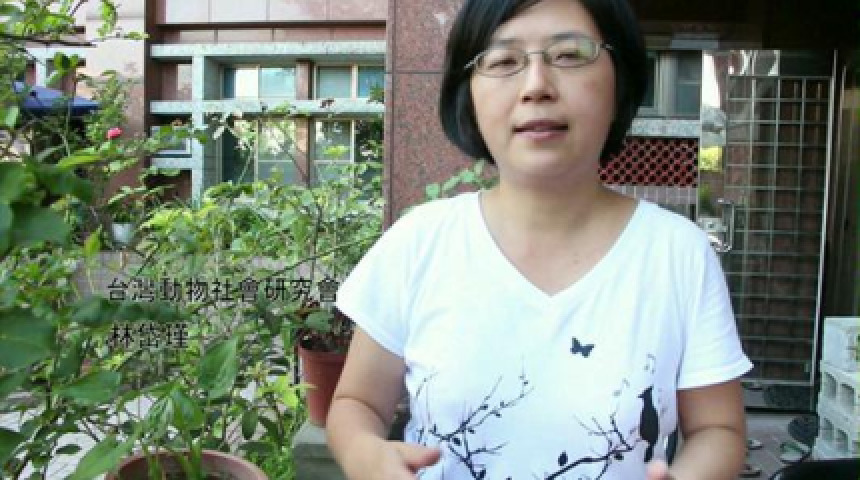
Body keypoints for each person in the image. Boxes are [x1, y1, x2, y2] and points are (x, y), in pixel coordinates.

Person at [326, 0, 753, 478]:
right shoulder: (418, 243)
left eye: (569, 55)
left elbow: (718, 429)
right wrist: (367, 456)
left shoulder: (677, 253)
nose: (536, 86)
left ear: (620, 81)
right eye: (503, 61)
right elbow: (357, 403)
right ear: (469, 95)